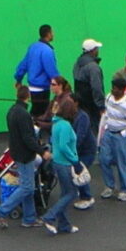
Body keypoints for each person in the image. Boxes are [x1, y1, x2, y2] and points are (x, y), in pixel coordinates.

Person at [0, 86, 45, 229]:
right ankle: (1, 211)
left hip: (16, 152)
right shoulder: (24, 114)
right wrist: (41, 150)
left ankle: (29, 217)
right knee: (27, 187)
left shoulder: (12, 111)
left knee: (26, 185)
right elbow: (28, 138)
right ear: (27, 96)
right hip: (26, 155)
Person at [41, 96, 82, 236]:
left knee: (65, 193)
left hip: (57, 162)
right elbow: (65, 146)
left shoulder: (56, 124)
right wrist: (75, 160)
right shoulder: (65, 125)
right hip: (65, 163)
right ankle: (50, 216)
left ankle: (64, 224)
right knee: (71, 193)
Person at [100, 75, 126, 200]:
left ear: (122, 90)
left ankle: (124, 190)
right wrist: (106, 127)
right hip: (108, 134)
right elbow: (106, 113)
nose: (113, 90)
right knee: (103, 159)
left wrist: (123, 134)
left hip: (120, 136)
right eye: (112, 88)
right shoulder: (109, 98)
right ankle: (109, 186)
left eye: (116, 88)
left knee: (122, 163)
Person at [14, 25, 60, 120]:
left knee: (36, 111)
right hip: (42, 89)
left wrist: (18, 79)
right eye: (52, 32)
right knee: (40, 115)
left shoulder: (33, 47)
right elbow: (51, 71)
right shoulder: (47, 51)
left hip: (32, 87)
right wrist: (60, 85)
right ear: (48, 34)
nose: (53, 34)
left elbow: (24, 64)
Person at [73, 39, 106, 136]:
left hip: (80, 102)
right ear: (93, 50)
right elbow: (97, 88)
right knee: (95, 129)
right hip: (92, 105)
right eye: (97, 48)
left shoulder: (77, 63)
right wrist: (101, 106)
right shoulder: (93, 67)